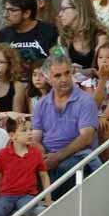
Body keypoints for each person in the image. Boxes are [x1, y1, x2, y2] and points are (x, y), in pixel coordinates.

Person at [32, 52, 101, 180]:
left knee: (63, 170)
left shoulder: (85, 100)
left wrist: (57, 157)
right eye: (58, 76)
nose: (64, 79)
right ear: (48, 79)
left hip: (78, 157)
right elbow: (35, 138)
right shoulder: (41, 104)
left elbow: (87, 138)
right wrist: (41, 153)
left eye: (67, 73)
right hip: (49, 157)